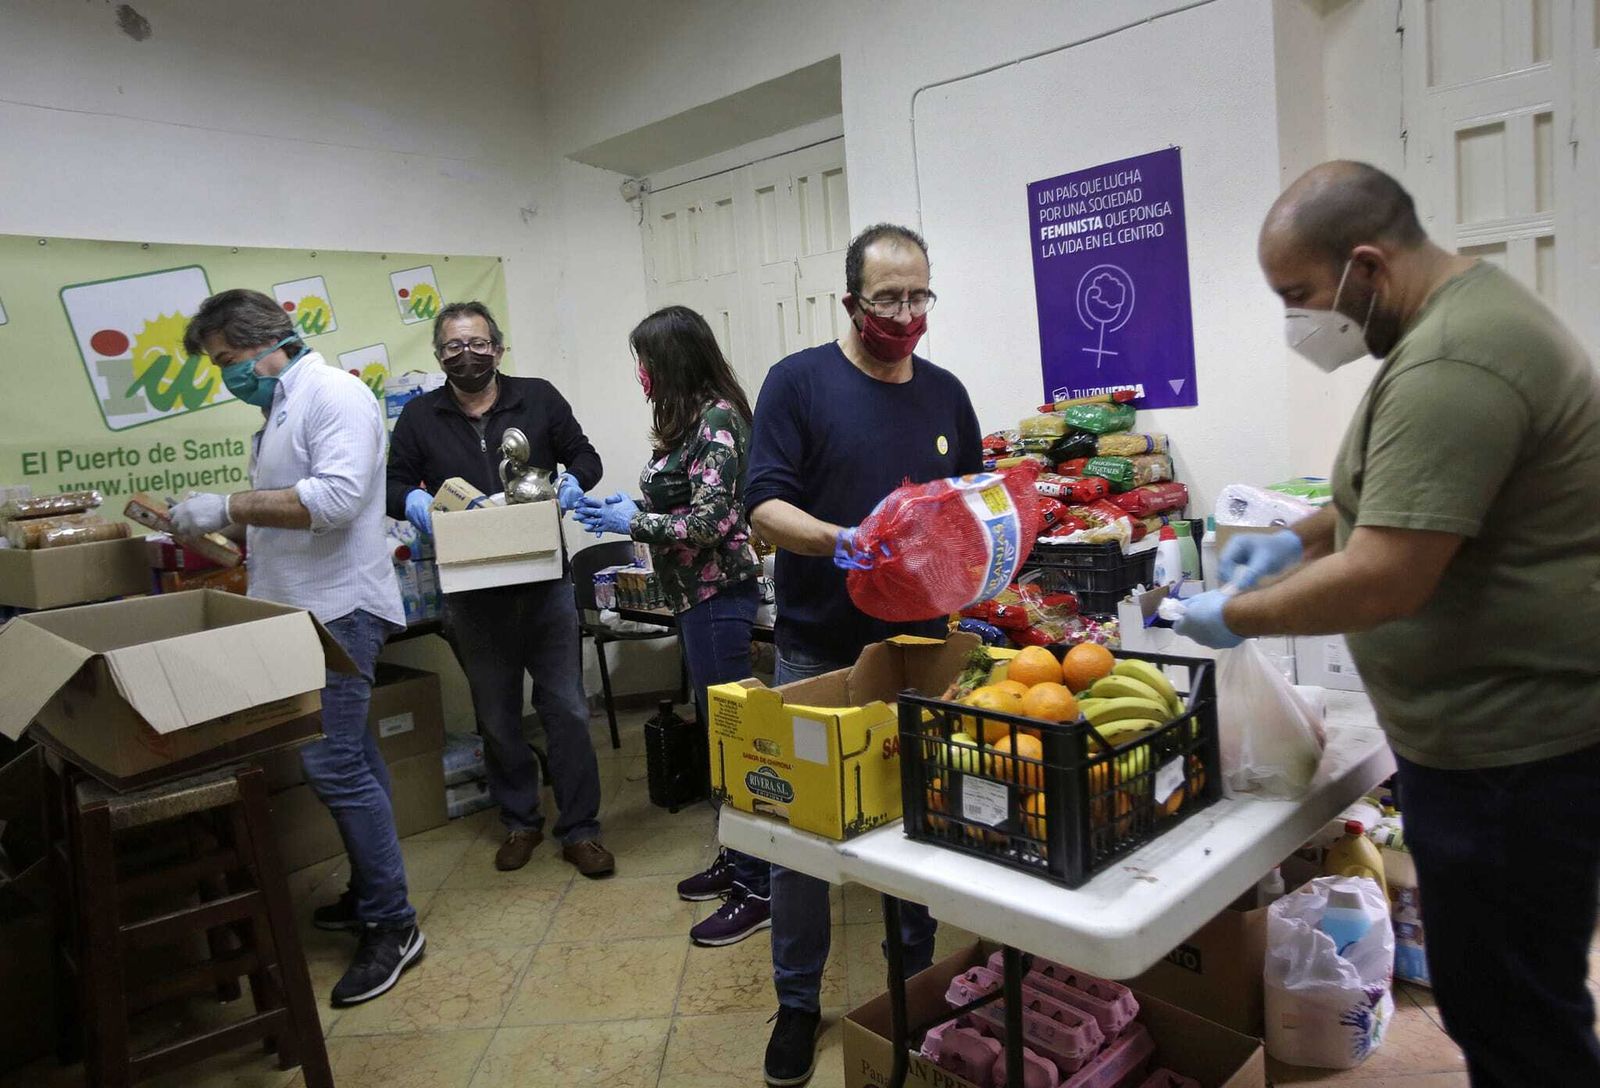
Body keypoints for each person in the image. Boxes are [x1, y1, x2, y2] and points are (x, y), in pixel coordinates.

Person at [1175, 161, 1600, 1087]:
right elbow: (1397, 496)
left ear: (1366, 266)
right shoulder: (1454, 324)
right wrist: (1296, 540)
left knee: (1518, 1020)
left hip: (1512, 759)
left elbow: (1386, 578)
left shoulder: (1453, 363)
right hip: (1493, 749)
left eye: (1299, 296)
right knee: (1508, 999)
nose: (1296, 322)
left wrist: (1236, 613)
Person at [744, 223, 982, 1087]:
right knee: (801, 837)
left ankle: (912, 985)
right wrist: (842, 540)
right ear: (851, 301)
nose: (907, 314)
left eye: (919, 296)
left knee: (919, 825)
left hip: (919, 649)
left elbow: (968, 507)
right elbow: (763, 507)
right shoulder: (798, 383)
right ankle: (796, 1002)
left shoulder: (947, 395)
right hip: (819, 650)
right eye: (889, 298)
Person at [172, 289, 424, 1006]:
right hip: (303, 611)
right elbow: (287, 510)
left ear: (266, 343)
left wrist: (228, 505)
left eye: (227, 358)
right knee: (355, 757)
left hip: (339, 609)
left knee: (333, 764)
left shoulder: (333, 393)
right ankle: (373, 892)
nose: (225, 373)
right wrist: (216, 527)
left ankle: (394, 925)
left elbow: (336, 501)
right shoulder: (279, 410)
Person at [386, 300, 614, 878]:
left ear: (498, 348)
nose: (467, 355)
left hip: (544, 579)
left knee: (567, 708)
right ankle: (519, 821)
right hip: (472, 591)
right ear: (439, 355)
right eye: (453, 347)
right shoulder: (419, 416)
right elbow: (392, 484)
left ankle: (580, 829)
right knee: (497, 715)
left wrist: (571, 483)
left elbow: (585, 456)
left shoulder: (537, 398)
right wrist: (413, 501)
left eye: (478, 344)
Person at [573, 305, 768, 946]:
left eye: (646, 360)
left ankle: (759, 883)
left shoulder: (718, 420)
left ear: (673, 359)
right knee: (717, 737)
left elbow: (711, 522)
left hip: (717, 596)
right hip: (693, 599)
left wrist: (630, 521)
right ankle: (737, 857)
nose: (642, 373)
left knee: (731, 741)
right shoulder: (690, 421)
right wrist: (624, 505)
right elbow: (682, 499)